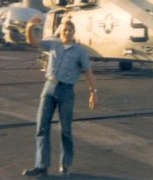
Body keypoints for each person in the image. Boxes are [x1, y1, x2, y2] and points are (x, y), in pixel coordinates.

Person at [22, 17, 97, 178]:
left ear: (74, 32)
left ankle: (65, 166)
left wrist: (93, 92)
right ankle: (41, 166)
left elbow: (88, 72)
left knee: (66, 130)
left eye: (70, 30)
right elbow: (33, 42)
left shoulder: (80, 51)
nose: (67, 32)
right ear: (60, 32)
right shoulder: (53, 44)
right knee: (41, 127)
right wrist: (29, 27)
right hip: (49, 87)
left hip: (66, 90)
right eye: (64, 30)